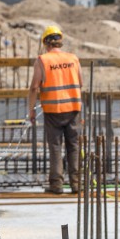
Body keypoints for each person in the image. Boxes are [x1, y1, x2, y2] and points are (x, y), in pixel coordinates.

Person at [27, 25, 82, 194]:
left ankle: (56, 184)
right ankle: (76, 184)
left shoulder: (43, 60)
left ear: (45, 42)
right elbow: (80, 83)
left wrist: (31, 110)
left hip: (52, 110)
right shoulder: (73, 58)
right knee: (73, 146)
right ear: (60, 41)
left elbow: (34, 87)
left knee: (56, 147)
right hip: (73, 108)